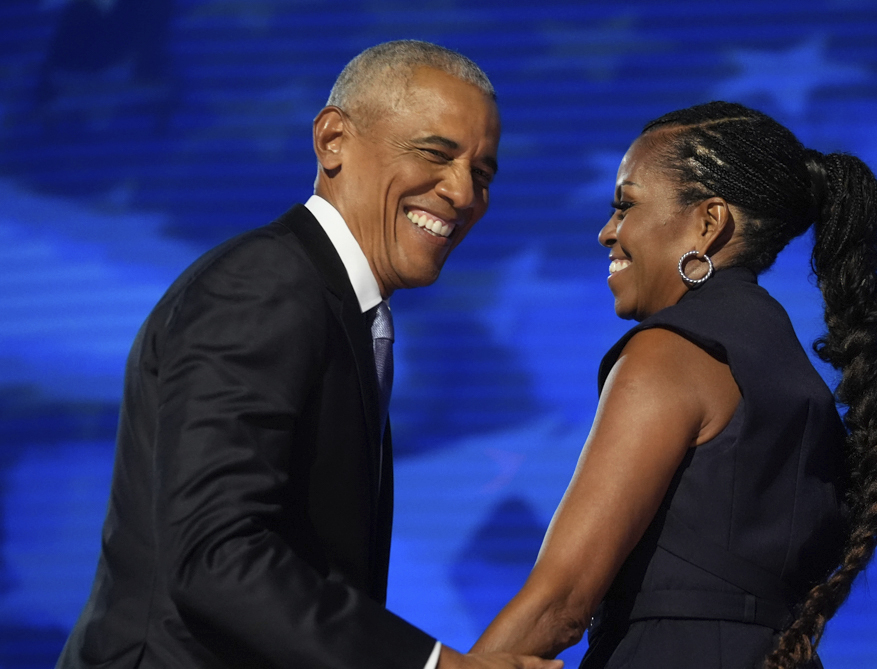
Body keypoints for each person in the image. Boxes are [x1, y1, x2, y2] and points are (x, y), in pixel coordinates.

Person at [57, 40, 561, 669]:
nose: (463, 192)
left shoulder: (333, 303)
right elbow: (216, 554)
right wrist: (434, 666)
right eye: (436, 153)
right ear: (332, 141)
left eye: (482, 173)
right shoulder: (266, 284)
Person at [470, 101, 877, 668]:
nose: (607, 231)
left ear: (708, 222)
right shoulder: (792, 372)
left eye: (626, 205)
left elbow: (561, 603)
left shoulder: (670, 354)